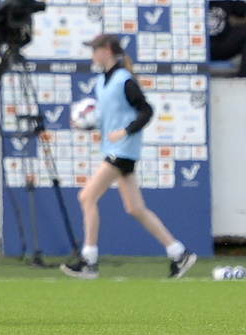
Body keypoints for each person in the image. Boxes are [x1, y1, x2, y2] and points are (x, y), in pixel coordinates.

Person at [61, 33, 198, 280]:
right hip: (115, 149)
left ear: (107, 50)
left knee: (86, 197)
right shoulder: (101, 82)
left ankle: (89, 261)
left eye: (94, 50)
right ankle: (179, 253)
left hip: (122, 150)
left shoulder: (124, 79)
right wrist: (87, 125)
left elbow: (146, 111)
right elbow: (109, 118)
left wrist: (125, 131)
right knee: (135, 208)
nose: (92, 54)